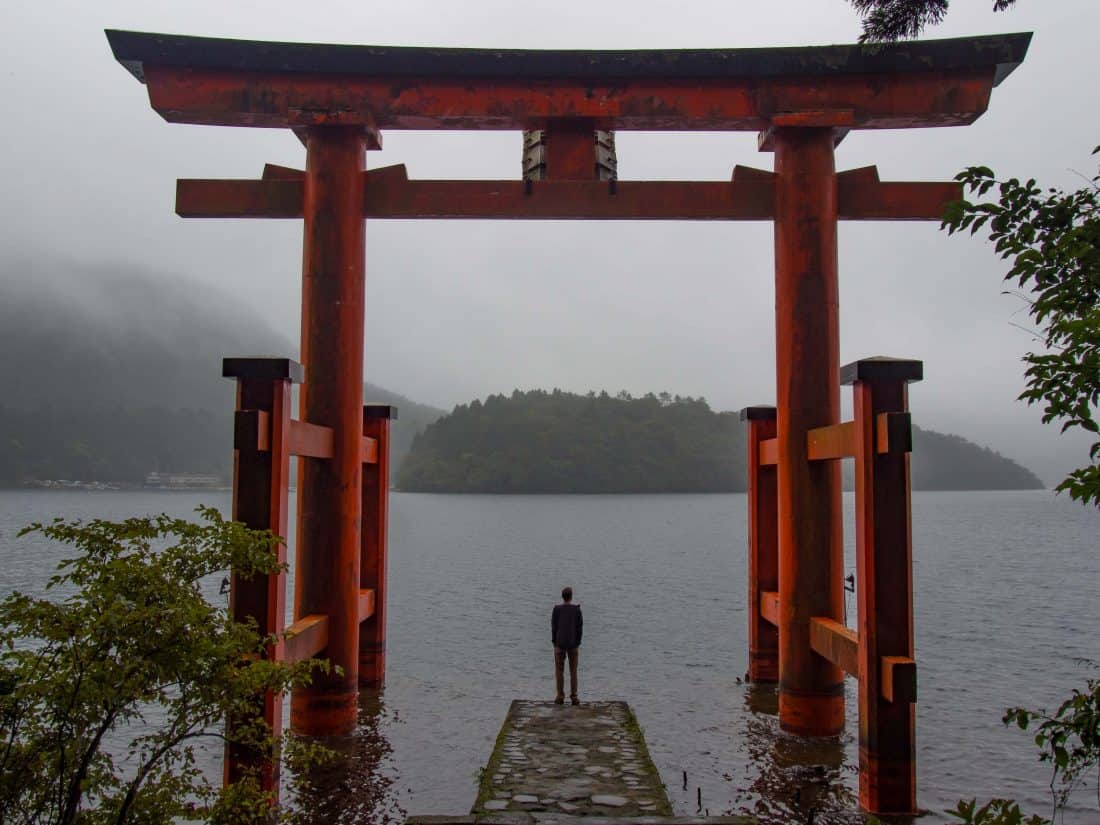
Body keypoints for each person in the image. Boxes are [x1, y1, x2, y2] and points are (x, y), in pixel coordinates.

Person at [551, 586, 583, 705]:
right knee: (573, 671)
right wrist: (578, 642)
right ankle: (574, 697)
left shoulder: (556, 609)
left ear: (562, 596)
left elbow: (554, 627)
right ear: (571, 596)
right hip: (573, 644)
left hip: (559, 643)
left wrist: (554, 642)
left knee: (559, 671)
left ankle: (560, 696)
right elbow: (580, 628)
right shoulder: (577, 609)